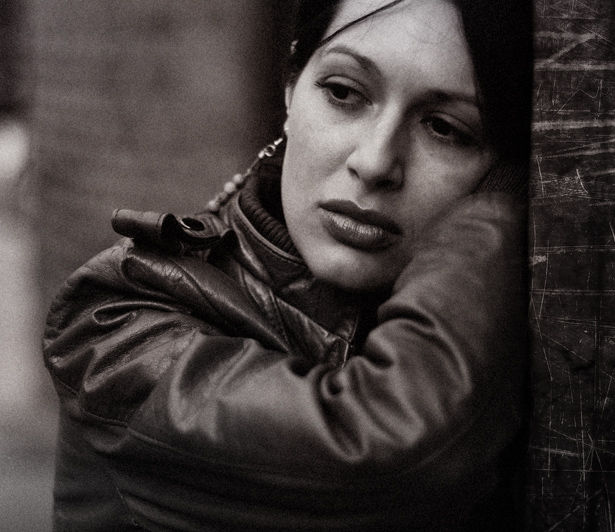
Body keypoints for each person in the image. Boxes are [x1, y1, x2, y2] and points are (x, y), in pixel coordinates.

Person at [43, 0, 533, 530]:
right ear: (291, 89)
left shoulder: (523, 331)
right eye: (344, 93)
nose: (374, 162)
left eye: (445, 128)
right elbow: (390, 451)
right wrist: (501, 210)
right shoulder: (116, 324)